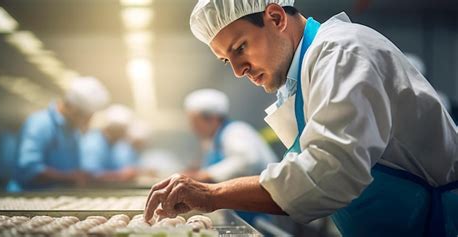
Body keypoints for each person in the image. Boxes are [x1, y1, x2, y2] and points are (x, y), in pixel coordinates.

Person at [144, 1, 458, 237]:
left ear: (276, 17)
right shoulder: (304, 76)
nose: (239, 70)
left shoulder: (342, 53)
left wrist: (212, 195)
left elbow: (329, 173)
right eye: (228, 60)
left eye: (241, 48)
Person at [16, 77, 110, 189]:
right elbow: (29, 169)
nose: (87, 122)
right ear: (71, 108)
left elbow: (74, 170)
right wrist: (69, 177)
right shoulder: (40, 123)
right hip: (28, 198)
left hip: (57, 196)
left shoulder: (73, 131)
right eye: (85, 117)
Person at [183, 89, 277, 183]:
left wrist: (204, 175)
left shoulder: (235, 131)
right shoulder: (213, 142)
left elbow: (247, 161)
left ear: (212, 119)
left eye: (194, 121)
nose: (192, 127)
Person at [80, 104, 137, 183]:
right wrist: (119, 175)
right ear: (112, 129)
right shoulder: (93, 143)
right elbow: (89, 175)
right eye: (121, 131)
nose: (124, 135)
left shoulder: (116, 146)